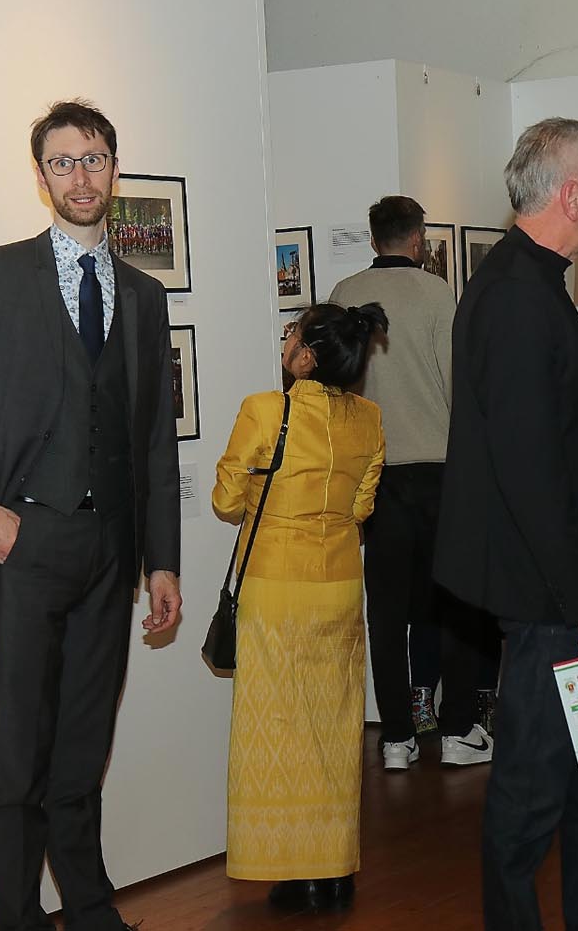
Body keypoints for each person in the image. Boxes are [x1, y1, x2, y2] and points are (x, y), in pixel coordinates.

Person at [0, 99, 181, 931]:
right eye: (64, 162)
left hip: (113, 546)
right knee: (21, 748)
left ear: (114, 168)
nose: (81, 175)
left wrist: (162, 560)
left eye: (95, 158)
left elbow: (151, 442)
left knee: (83, 742)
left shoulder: (141, 295)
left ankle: (93, 909)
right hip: (24, 540)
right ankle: (17, 919)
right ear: (41, 177)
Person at [435, 118, 578, 930]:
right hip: (556, 613)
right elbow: (530, 475)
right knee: (529, 804)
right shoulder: (517, 297)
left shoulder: (531, 283)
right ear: (571, 193)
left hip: (572, 606)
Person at [213, 303, 387, 913]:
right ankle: (334, 871)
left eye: (291, 334)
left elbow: (227, 496)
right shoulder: (368, 418)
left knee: (280, 729)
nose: (284, 341)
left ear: (307, 355)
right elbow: (362, 506)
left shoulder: (266, 409)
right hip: (340, 584)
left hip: (276, 588)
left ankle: (295, 871)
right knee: (335, 729)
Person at [328, 194, 502, 770]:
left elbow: (334, 390)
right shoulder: (436, 294)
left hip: (374, 474)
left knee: (386, 611)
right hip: (438, 470)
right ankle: (456, 731)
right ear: (419, 238)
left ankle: (398, 737)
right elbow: (459, 388)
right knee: (454, 603)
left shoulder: (345, 296)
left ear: (374, 237)